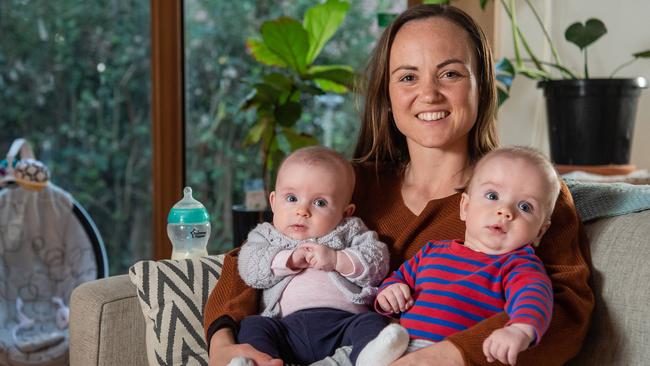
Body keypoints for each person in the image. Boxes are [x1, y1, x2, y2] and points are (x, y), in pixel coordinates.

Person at [204, 4, 594, 366]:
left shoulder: (530, 194)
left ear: (483, 86)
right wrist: (223, 344)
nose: (429, 93)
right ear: (387, 96)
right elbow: (251, 258)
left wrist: (444, 356)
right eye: (408, 77)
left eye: (451, 73)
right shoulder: (350, 185)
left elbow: (566, 311)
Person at [376, 147, 559, 365]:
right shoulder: (432, 251)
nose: (505, 211)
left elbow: (534, 295)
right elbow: (398, 278)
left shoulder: (518, 265)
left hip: (445, 354)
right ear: (465, 207)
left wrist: (520, 330)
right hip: (398, 344)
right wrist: (390, 291)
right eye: (493, 196)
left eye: (525, 206)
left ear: (539, 231)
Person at [229, 146, 408, 366]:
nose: (302, 210)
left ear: (345, 212)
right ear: (273, 202)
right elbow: (250, 267)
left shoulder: (350, 230)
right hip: (285, 328)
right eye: (291, 198)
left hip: (344, 323)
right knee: (253, 326)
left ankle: (369, 356)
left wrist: (336, 259)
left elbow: (376, 262)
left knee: (372, 322)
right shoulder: (266, 235)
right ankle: (261, 361)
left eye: (320, 202)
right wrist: (289, 260)